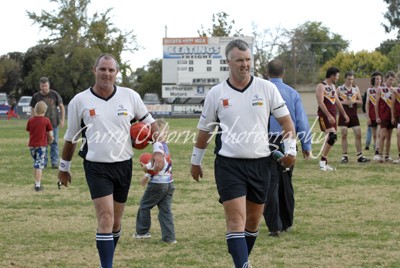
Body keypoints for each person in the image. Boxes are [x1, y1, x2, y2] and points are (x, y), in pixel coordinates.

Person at [190, 39, 296, 268]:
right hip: (229, 165)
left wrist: (291, 151)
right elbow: (204, 131)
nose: (245, 64)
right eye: (239, 60)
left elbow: (287, 122)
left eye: (248, 59)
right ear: (228, 62)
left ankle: (241, 261)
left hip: (261, 164)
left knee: (252, 222)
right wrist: (195, 161)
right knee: (236, 220)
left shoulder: (267, 89)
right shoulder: (216, 94)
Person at [57, 53, 165, 268]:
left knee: (115, 222)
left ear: (116, 73)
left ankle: (108, 259)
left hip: (124, 165)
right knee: (105, 218)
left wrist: (159, 150)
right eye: (102, 69)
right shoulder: (80, 100)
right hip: (96, 166)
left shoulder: (130, 96)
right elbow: (71, 139)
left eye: (111, 70)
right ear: (94, 70)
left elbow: (152, 125)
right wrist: (64, 167)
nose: (106, 73)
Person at [263, 59, 312, 237]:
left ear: (267, 73)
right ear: (283, 73)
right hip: (289, 140)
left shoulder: (261, 91)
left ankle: (274, 225)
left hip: (266, 142)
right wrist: (307, 145)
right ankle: (287, 221)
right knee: (286, 181)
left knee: (270, 184)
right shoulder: (292, 93)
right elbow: (301, 121)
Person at [134, 118, 176, 243]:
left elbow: (159, 165)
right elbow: (164, 167)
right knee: (165, 211)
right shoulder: (165, 146)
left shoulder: (159, 146)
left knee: (144, 206)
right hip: (169, 183)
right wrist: (147, 176)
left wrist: (145, 168)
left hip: (158, 184)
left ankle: (142, 232)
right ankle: (169, 238)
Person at [316, 67, 349, 171]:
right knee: (332, 136)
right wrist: (329, 115)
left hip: (333, 116)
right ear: (332, 75)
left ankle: (325, 163)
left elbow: (337, 101)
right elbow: (320, 102)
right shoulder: (321, 86)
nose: (338, 78)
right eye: (337, 76)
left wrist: (344, 114)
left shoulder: (333, 86)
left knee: (329, 139)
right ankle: (322, 161)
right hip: (324, 116)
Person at [29, 77, 65, 169]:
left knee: (54, 143)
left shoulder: (54, 94)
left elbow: (61, 107)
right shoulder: (36, 96)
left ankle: (54, 162)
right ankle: (43, 162)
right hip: (40, 125)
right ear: (40, 86)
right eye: (42, 86)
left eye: (45, 86)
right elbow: (32, 109)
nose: (44, 88)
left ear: (48, 85)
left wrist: (62, 120)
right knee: (42, 144)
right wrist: (33, 121)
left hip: (53, 123)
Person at [337, 71, 370, 163]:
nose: (351, 81)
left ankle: (360, 156)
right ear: (345, 79)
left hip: (354, 115)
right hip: (344, 114)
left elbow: (360, 101)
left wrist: (354, 101)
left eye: (352, 79)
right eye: (349, 79)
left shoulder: (356, 88)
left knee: (358, 134)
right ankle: (344, 156)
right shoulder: (340, 89)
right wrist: (344, 102)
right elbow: (334, 101)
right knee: (344, 134)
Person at [26, 101, 54, 191]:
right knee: (39, 165)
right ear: (45, 110)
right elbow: (50, 134)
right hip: (41, 146)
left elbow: (30, 133)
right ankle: (38, 185)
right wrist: (51, 139)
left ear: (35, 110)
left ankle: (36, 182)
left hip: (32, 145)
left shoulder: (30, 121)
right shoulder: (46, 121)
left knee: (36, 163)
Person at [375, 71, 396, 162]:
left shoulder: (393, 90)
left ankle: (387, 155)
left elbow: (394, 104)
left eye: (393, 80)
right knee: (383, 135)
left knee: (389, 137)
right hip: (383, 116)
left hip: (391, 116)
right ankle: (379, 155)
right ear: (386, 79)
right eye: (390, 79)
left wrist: (393, 117)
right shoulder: (380, 89)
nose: (391, 82)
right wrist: (377, 116)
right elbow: (376, 104)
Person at [366, 71, 383, 160]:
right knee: (375, 135)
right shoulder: (370, 90)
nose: (379, 80)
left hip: (381, 115)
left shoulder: (383, 89)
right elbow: (367, 104)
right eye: (377, 78)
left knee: (379, 133)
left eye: (380, 78)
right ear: (373, 79)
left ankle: (378, 151)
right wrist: (368, 116)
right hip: (372, 115)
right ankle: (376, 150)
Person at [391, 83, 400, 163]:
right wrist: (393, 117)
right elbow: (392, 104)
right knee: (398, 134)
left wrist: (397, 93)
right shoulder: (396, 89)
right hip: (399, 117)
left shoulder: (396, 91)